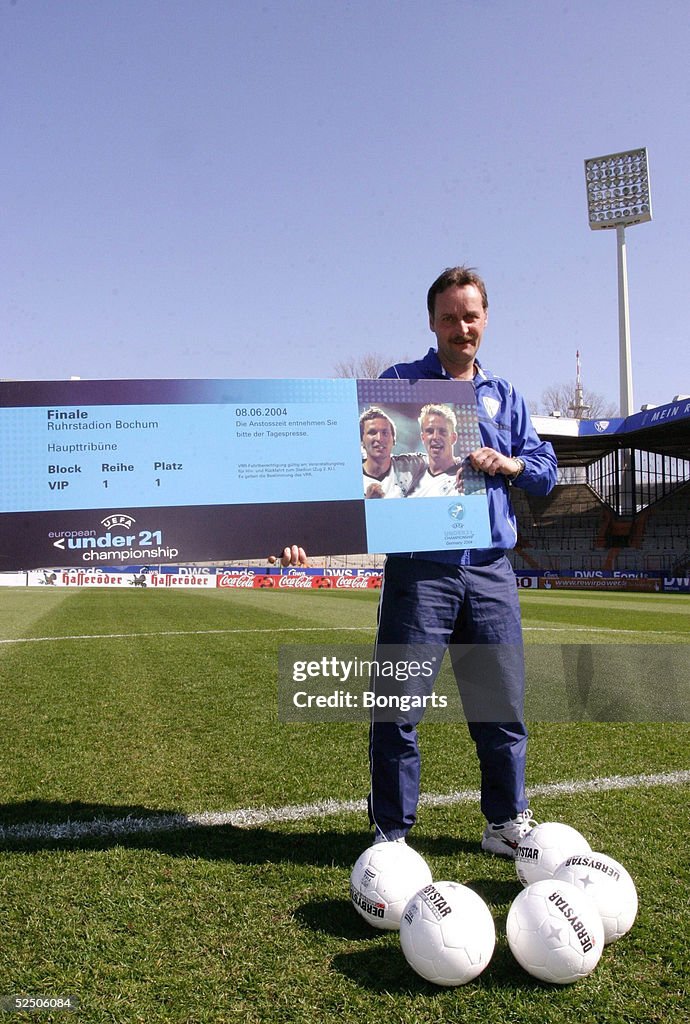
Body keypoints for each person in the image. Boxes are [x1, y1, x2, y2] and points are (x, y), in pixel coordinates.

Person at [275, 265, 557, 858]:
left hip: (488, 570)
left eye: (471, 316)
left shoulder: (505, 397)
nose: (461, 327)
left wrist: (508, 464)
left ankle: (505, 821)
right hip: (421, 571)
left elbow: (546, 471)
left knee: (499, 706)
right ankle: (392, 835)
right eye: (450, 317)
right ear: (432, 322)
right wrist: (303, 529)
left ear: (485, 320)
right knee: (398, 709)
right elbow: (342, 462)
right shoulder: (398, 385)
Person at [359, 406, 425, 498]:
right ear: (361, 441)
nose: (379, 438)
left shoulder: (411, 464)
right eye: (372, 432)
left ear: (394, 440)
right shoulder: (350, 478)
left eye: (385, 433)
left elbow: (442, 461)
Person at [407, 403, 464, 497]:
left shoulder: (465, 477)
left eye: (442, 431)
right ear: (423, 438)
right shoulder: (411, 480)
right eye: (429, 431)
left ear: (453, 438)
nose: (435, 437)